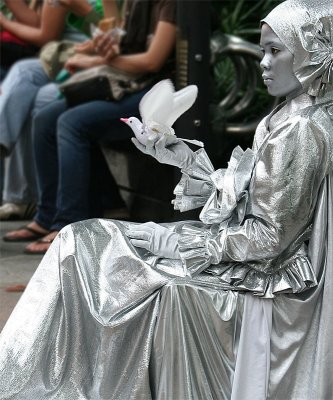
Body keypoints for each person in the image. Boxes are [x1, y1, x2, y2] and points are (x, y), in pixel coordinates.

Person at [0, 0, 332, 398]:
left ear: (312, 53)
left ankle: (50, 381)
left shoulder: (300, 129)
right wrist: (181, 156)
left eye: (275, 50)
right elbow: (249, 196)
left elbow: (267, 240)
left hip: (260, 277)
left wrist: (173, 241)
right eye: (262, 49)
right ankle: (51, 378)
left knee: (84, 246)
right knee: (84, 243)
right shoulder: (289, 116)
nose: (263, 62)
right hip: (240, 256)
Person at [3, 0, 177, 253]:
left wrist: (97, 60)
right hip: (128, 80)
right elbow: (116, 37)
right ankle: (46, 216)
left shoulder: (172, 5)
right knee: (45, 117)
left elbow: (151, 62)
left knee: (71, 123)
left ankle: (68, 224)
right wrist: (95, 51)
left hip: (153, 90)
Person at [0, 0, 104, 220]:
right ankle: (40, 205)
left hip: (87, 64)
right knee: (28, 88)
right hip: (65, 58)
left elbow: (46, 35)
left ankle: (53, 213)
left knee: (41, 98)